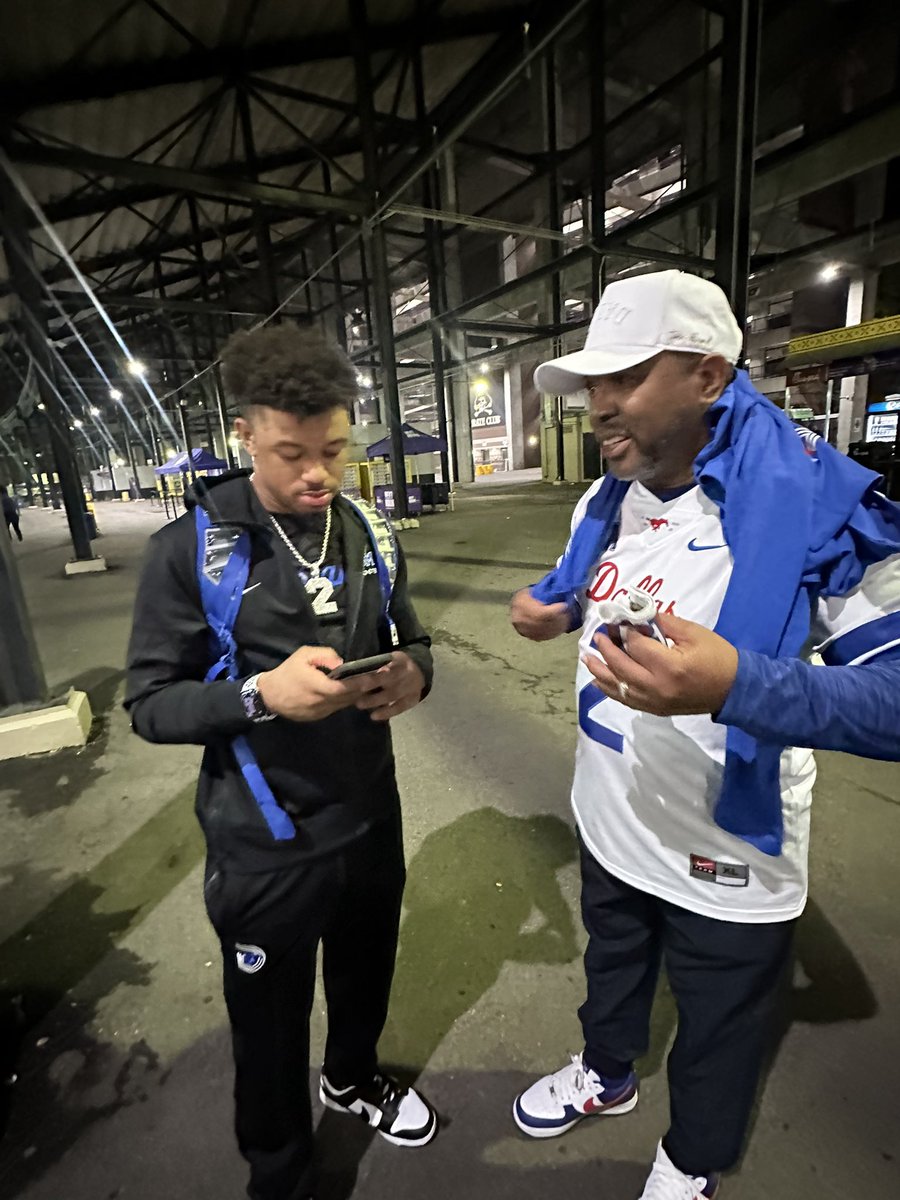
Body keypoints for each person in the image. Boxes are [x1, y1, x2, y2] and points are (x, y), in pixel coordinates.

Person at [509, 270, 900, 1199]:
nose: (599, 405)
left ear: (710, 377)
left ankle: (691, 1161)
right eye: (593, 382)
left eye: (628, 377)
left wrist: (739, 685)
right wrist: (562, 612)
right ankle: (606, 1073)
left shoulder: (821, 514)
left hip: (728, 859)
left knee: (719, 1026)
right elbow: (617, 590)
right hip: (610, 822)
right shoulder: (607, 496)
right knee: (611, 970)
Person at [125, 326, 438, 1200]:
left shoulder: (369, 529)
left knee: (366, 967)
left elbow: (409, 635)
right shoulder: (190, 551)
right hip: (264, 841)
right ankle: (280, 1169)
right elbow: (150, 704)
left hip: (370, 816)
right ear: (245, 436)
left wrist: (415, 670)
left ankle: (352, 1074)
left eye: (335, 449)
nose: (318, 474)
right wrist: (260, 696)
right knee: (267, 1024)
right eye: (292, 452)